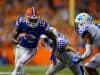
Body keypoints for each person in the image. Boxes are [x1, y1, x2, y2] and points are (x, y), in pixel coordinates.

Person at [11, 7, 57, 75]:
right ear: (26, 17)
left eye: (35, 20)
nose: (33, 21)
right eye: (31, 20)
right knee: (19, 70)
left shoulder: (42, 25)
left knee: (19, 64)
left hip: (31, 50)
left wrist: (54, 54)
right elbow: (13, 38)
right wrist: (17, 41)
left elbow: (54, 39)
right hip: (19, 48)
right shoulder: (21, 22)